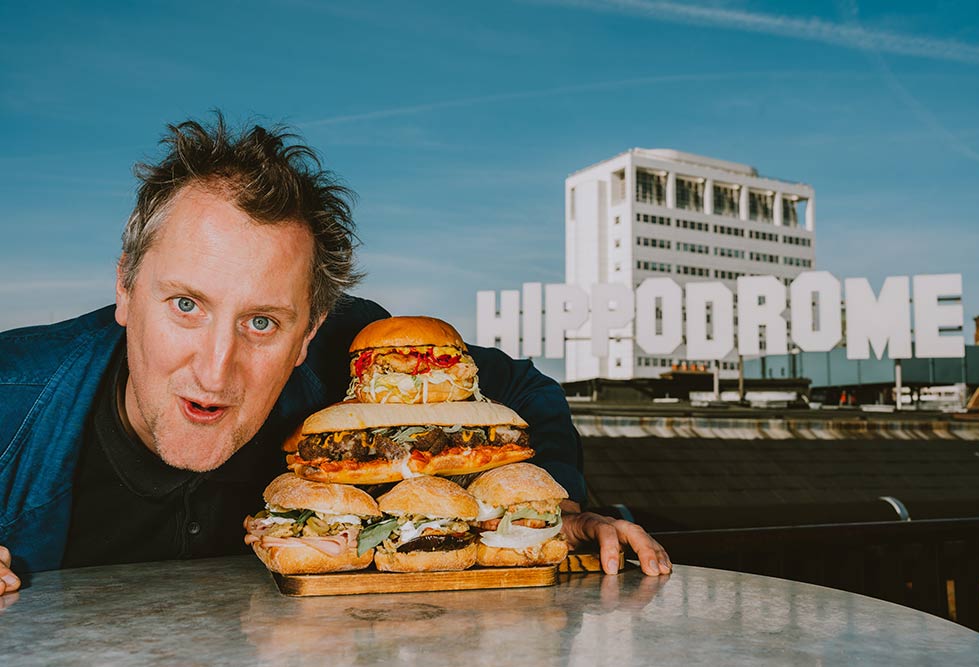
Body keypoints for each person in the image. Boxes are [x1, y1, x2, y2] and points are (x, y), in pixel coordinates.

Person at [0, 115, 671, 595]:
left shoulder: (353, 362)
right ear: (124, 287)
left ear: (309, 332)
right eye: (186, 305)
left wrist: (558, 510)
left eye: (262, 321)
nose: (214, 368)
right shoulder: (12, 394)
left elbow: (524, 387)